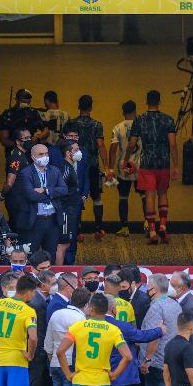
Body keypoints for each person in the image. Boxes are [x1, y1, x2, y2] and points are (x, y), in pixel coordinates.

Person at [124, 90, 179, 245]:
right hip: (163, 163)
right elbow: (173, 144)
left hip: (147, 163)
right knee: (163, 193)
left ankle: (153, 231)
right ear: (159, 102)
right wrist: (176, 165)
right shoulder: (168, 120)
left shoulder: (140, 120)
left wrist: (126, 160)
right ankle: (163, 225)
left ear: (146, 102)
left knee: (149, 196)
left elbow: (132, 144)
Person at [44, 286, 90, 386]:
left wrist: (51, 364)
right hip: (71, 365)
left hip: (55, 364)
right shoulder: (81, 320)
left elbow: (48, 344)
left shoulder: (56, 314)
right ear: (87, 304)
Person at [139, 274, 182, 386]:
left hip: (157, 362)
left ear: (154, 289)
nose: (145, 288)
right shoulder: (175, 304)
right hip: (173, 360)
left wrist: (147, 359)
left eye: (147, 286)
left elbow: (154, 337)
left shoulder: (156, 308)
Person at [64, 95, 107, 239]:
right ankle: (99, 229)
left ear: (78, 106)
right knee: (97, 197)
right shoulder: (97, 125)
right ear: (91, 107)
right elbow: (100, 145)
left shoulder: (71, 123)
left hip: (74, 165)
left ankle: (78, 230)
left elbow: (62, 142)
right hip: (93, 164)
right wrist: (107, 166)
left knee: (76, 195)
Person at [17, 144, 68, 259]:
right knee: (31, 255)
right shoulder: (26, 173)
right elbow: (31, 195)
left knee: (50, 255)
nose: (45, 156)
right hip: (35, 221)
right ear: (33, 157)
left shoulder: (55, 171)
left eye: (46, 154)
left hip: (52, 220)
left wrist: (45, 190)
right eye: (41, 154)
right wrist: (52, 194)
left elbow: (64, 190)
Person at [26, 269, 56, 386]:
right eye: (52, 283)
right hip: (37, 354)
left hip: (40, 353)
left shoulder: (42, 299)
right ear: (43, 284)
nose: (54, 287)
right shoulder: (36, 302)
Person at [107, 100, 145, 237]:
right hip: (140, 166)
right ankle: (148, 225)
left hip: (124, 167)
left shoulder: (117, 128)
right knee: (144, 196)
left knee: (123, 197)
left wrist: (110, 168)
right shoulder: (143, 126)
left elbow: (113, 149)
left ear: (123, 112)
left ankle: (124, 227)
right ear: (135, 111)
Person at [55, 139, 88, 265]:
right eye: (76, 150)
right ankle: (57, 273)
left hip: (71, 210)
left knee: (66, 243)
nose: (79, 152)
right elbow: (60, 190)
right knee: (62, 245)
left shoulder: (70, 167)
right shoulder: (65, 169)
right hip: (65, 211)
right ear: (68, 153)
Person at [171, 271, 193, 370]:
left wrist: (187, 362)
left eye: (173, 285)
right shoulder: (181, 302)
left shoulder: (190, 307)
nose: (169, 288)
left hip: (189, 364)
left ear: (183, 288)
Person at [3, 127, 33, 230]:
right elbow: (9, 182)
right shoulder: (16, 156)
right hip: (17, 202)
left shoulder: (26, 155)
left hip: (24, 200)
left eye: (30, 137)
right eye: (25, 138)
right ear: (17, 141)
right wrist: (2, 195)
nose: (29, 140)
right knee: (19, 231)